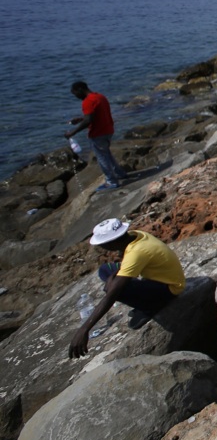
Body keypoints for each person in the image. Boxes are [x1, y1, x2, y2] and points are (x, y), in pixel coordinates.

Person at [69, 218, 186, 358]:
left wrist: (84, 329)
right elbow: (127, 263)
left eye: (103, 244)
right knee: (105, 270)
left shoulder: (137, 251)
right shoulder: (133, 235)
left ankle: (151, 306)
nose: (102, 248)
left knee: (117, 290)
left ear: (112, 242)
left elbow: (111, 294)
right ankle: (140, 296)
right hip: (154, 278)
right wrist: (115, 277)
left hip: (168, 288)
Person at [66, 81, 126, 191]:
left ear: (80, 89)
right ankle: (120, 173)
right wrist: (80, 119)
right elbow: (96, 114)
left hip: (98, 133)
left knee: (102, 158)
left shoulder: (87, 101)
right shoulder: (100, 97)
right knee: (107, 154)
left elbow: (88, 120)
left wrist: (72, 133)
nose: (76, 97)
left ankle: (111, 181)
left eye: (75, 94)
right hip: (108, 129)